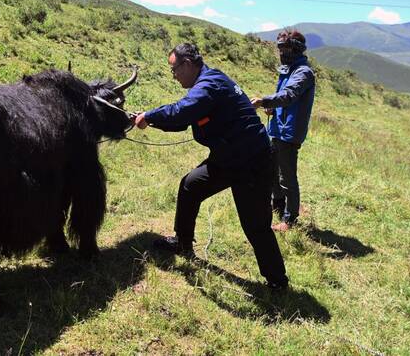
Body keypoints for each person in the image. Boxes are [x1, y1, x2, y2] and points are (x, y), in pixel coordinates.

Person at [134, 43, 288, 290]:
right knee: (190, 185)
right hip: (228, 157)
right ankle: (183, 243)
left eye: (174, 70)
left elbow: (183, 111)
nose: (173, 76)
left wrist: (151, 116)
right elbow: (183, 120)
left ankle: (277, 281)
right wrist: (149, 121)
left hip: (252, 161)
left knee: (255, 225)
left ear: (187, 64)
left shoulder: (209, 85)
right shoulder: (207, 81)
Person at [251, 30, 315, 232]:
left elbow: (289, 95)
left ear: (296, 48)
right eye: (279, 48)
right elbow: (283, 99)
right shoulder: (288, 70)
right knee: (272, 171)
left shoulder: (303, 72)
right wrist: (272, 107)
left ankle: (290, 219)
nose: (281, 52)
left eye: (285, 48)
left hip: (290, 132)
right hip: (278, 129)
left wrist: (264, 101)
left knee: (287, 177)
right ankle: (277, 206)